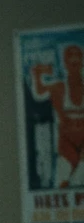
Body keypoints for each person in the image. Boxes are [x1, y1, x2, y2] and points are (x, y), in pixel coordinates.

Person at [30, 43, 84, 187]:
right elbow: (38, 93)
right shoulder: (59, 87)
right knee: (62, 184)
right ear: (65, 63)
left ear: (82, 62)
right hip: (66, 144)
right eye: (70, 59)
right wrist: (36, 73)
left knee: (79, 181)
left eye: (77, 58)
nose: (74, 62)